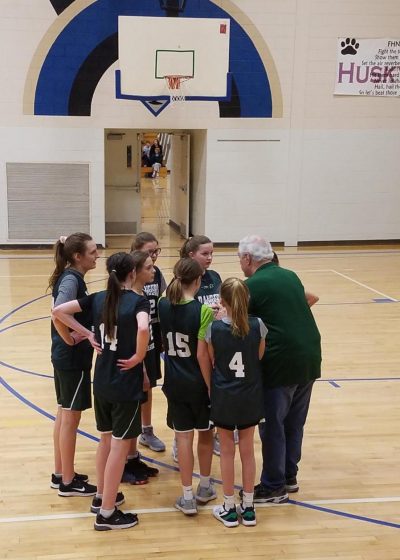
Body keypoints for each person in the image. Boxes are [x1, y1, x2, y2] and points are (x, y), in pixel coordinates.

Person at [52, 252, 149, 530]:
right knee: (118, 446)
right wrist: (139, 356)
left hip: (102, 382)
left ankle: (100, 497)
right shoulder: (137, 301)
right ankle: (106, 513)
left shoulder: (97, 297)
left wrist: (88, 333)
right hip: (124, 383)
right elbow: (143, 327)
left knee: (105, 441)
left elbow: (58, 311)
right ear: (131, 274)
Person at [238, 235, 322, 503]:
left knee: (272, 424)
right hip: (309, 357)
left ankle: (273, 485)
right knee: (294, 422)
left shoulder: (251, 285)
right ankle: (288, 476)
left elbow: (232, 321)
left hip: (280, 362)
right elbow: (308, 300)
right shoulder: (290, 276)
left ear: (248, 259)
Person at [206, 278, 267, 527]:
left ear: (222, 301)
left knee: (227, 452)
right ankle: (249, 507)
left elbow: (213, 360)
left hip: (224, 394)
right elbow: (259, 356)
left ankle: (229, 507)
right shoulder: (259, 325)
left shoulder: (214, 328)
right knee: (248, 452)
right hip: (250, 394)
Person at [158, 258, 216, 516]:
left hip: (174, 381)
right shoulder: (202, 311)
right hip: (197, 383)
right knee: (205, 434)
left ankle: (187, 496)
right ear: (198, 281)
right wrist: (211, 386)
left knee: (183, 438)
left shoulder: (162, 304)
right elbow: (204, 356)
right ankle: (205, 486)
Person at [48, 232, 98, 497]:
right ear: (78, 257)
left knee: (63, 412)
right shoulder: (71, 279)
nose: (97, 255)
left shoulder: (72, 276)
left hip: (64, 357)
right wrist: (79, 335)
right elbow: (58, 312)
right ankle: (68, 482)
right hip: (71, 359)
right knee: (70, 417)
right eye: (92, 252)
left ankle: (61, 473)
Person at [118, 250, 162, 485]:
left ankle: (133, 457)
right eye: (148, 267)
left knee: (139, 407)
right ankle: (123, 463)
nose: (153, 270)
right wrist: (142, 367)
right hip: (136, 364)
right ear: (134, 272)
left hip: (148, 356)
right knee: (131, 412)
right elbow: (136, 336)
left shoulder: (142, 293)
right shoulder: (131, 301)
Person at [131, 232, 167, 452]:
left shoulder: (157, 273)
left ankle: (146, 430)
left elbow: (163, 301)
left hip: (153, 337)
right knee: (135, 386)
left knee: (148, 385)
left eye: (156, 251)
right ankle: (129, 433)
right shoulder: (129, 275)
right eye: (149, 252)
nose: (154, 256)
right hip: (134, 339)